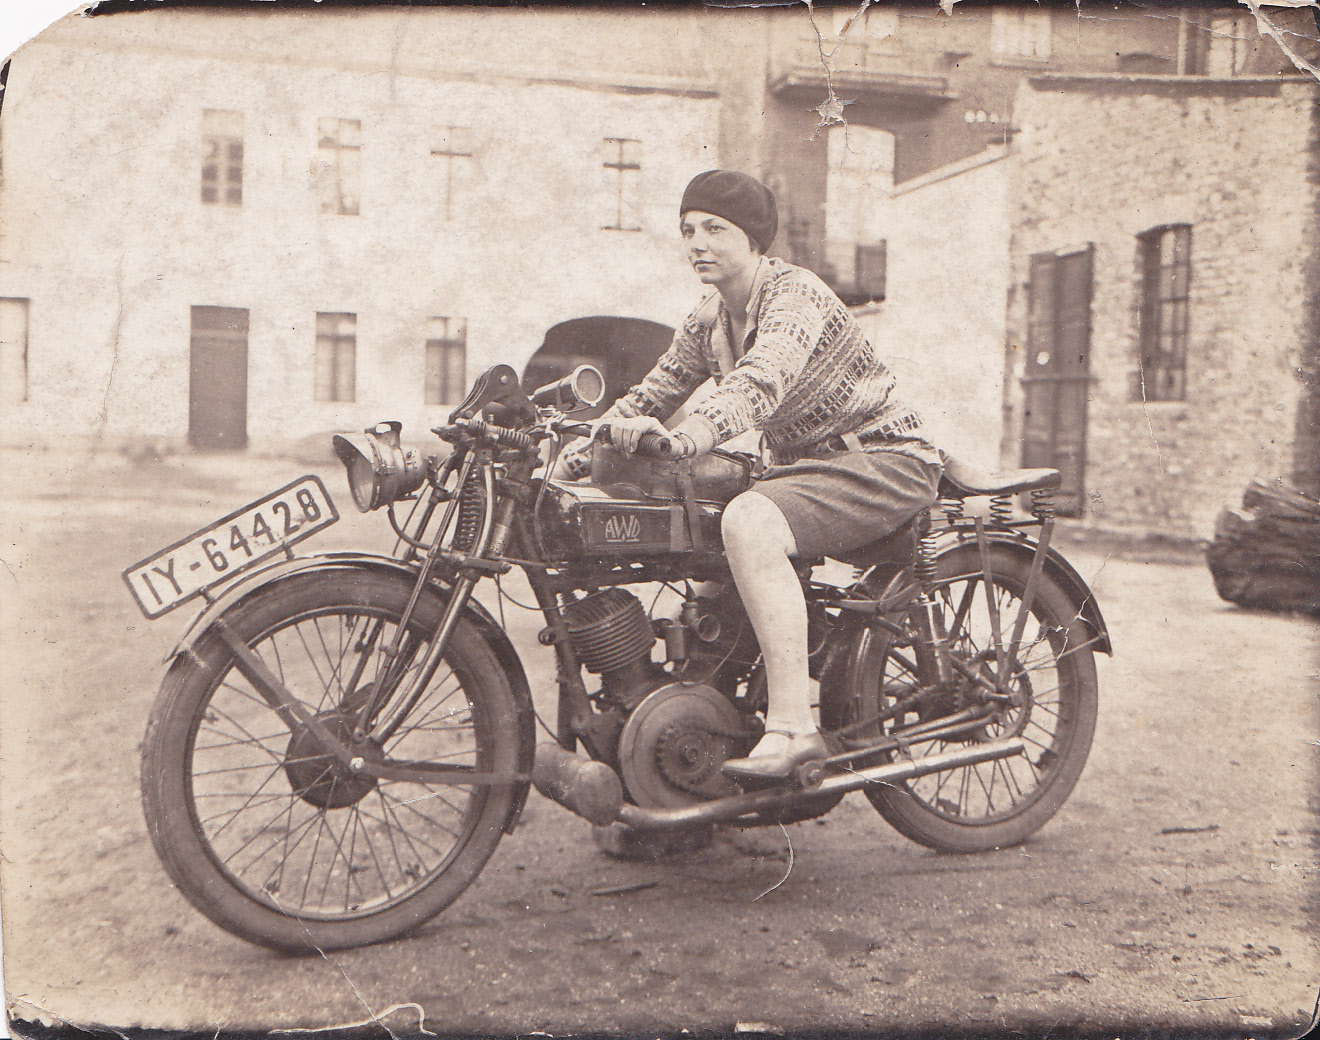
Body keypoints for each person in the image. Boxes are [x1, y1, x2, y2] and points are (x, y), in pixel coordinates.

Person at [561, 169, 942, 782]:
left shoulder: (795, 295)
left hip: (881, 458)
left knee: (747, 520)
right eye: (688, 230)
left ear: (755, 238)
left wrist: (691, 435)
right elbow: (652, 393)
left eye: (715, 228)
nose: (697, 243)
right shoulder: (710, 318)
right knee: (700, 532)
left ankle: (793, 729)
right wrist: (584, 445)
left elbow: (761, 381)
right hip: (805, 470)